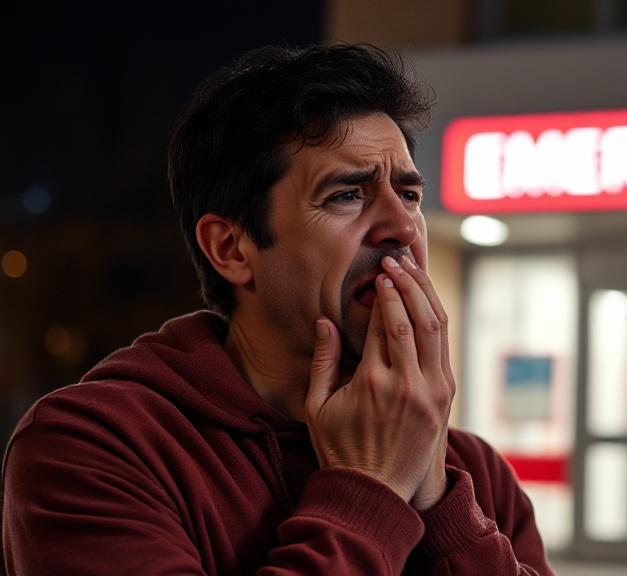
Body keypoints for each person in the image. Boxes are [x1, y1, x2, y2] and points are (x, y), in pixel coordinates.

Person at [2, 44, 553, 575]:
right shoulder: (94, 448)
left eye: (409, 195)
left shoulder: (472, 473)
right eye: (347, 195)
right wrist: (373, 487)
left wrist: (442, 509)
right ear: (231, 249)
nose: (403, 228)